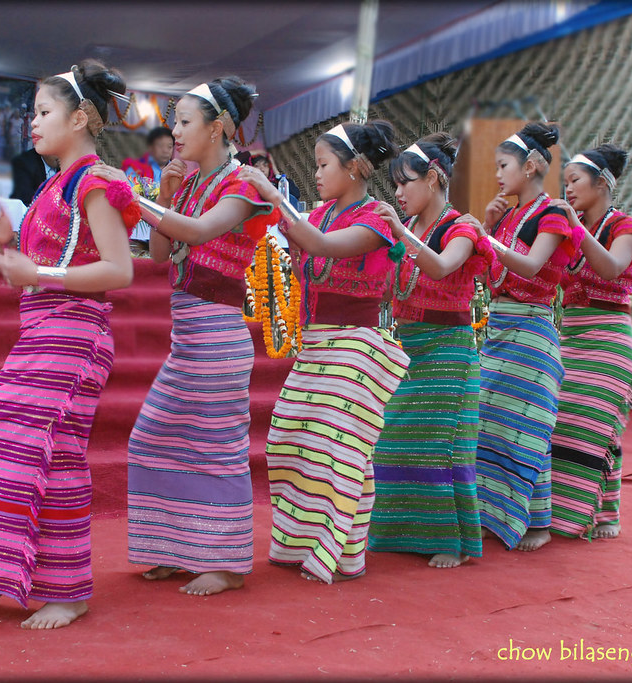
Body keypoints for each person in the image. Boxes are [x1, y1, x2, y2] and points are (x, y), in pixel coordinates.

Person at [0, 59, 134, 630]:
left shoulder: (99, 181)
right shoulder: (53, 185)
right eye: (32, 113)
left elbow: (119, 270)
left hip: (76, 334)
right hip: (43, 329)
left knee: (52, 456)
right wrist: (9, 243)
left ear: (81, 118)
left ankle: (67, 590)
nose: (32, 124)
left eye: (43, 113)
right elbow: (54, 263)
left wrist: (36, 274)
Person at [110, 77, 274, 597]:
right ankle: (173, 551)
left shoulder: (243, 184)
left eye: (184, 121)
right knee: (152, 438)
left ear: (218, 127)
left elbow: (199, 233)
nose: (174, 132)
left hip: (217, 337)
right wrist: (162, 194)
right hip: (189, 337)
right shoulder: (190, 183)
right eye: (174, 121)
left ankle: (225, 564)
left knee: (218, 449)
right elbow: (160, 255)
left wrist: (134, 198)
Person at [239, 120, 409, 584]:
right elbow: (303, 246)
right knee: (287, 440)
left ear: (354, 168)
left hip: (357, 343)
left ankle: (342, 553)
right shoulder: (316, 215)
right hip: (317, 343)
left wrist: (275, 198)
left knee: (342, 447)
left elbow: (324, 248)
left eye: (323, 164)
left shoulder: (377, 217)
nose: (315, 174)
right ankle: (299, 544)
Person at [367, 133, 495, 568]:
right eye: (396, 186)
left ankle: (450, 541)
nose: (398, 194)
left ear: (435, 178)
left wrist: (398, 230)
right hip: (408, 349)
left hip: (448, 352)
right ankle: (405, 534)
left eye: (406, 184)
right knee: (389, 444)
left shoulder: (462, 227)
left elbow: (441, 267)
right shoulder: (415, 227)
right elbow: (397, 280)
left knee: (441, 449)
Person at [463, 122, 580, 553]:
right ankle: (499, 514)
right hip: (500, 329)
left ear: (530, 167)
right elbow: (494, 279)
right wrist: (492, 225)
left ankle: (539, 522)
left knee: (528, 428)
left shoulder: (552, 214)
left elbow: (530, 268)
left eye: (504, 165)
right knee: (493, 424)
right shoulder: (510, 215)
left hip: (532, 330)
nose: (497, 174)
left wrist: (487, 236)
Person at [548, 144, 632, 541]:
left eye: (575, 181)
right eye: (565, 183)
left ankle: (600, 514)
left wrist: (574, 230)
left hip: (610, 341)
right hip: (570, 339)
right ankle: (589, 510)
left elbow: (611, 268)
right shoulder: (568, 226)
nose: (569, 190)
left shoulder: (624, 227)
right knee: (561, 422)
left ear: (602, 183)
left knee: (593, 425)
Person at [122, 126, 176, 244]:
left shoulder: (177, 172)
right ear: (151, 147)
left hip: (169, 230)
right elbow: (128, 197)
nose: (165, 150)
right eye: (160, 145)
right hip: (139, 231)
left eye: (169, 146)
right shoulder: (135, 169)